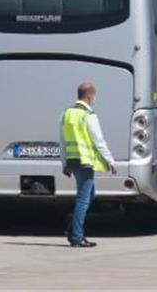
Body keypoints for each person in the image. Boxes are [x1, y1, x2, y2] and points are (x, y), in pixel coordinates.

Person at [59, 82, 117, 248]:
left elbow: (62, 141)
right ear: (90, 96)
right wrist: (110, 161)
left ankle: (71, 229)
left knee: (89, 195)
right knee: (84, 199)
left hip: (73, 161)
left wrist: (64, 163)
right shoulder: (88, 115)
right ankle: (77, 236)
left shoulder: (66, 113)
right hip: (85, 162)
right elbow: (98, 140)